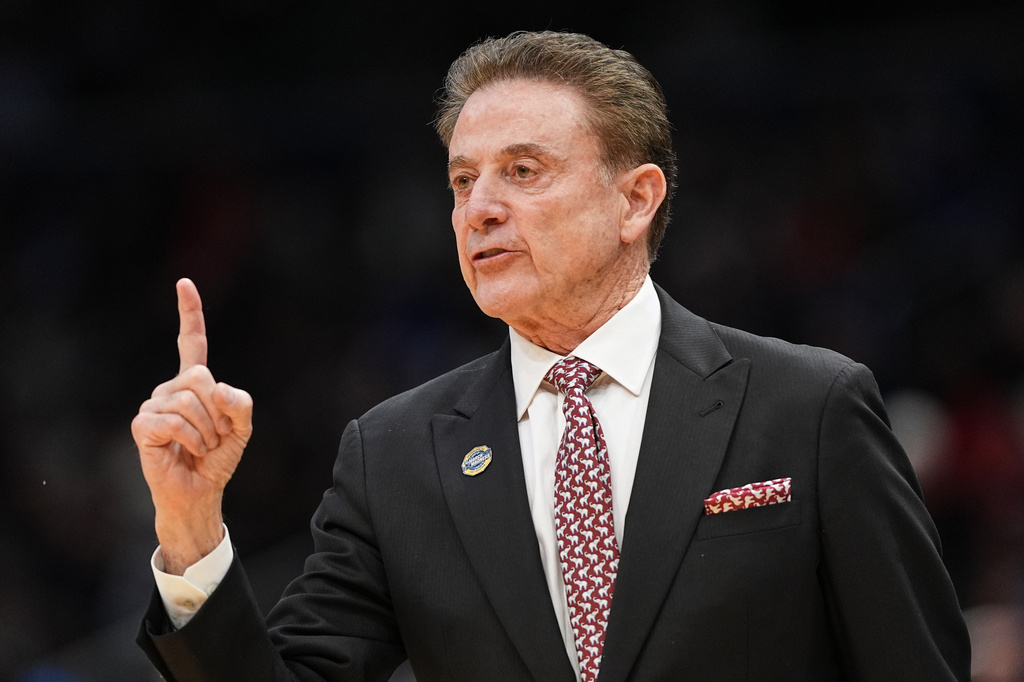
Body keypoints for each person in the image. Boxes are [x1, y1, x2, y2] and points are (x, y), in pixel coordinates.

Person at [133, 31, 971, 681]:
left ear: (635, 200)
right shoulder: (394, 456)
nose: (480, 209)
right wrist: (191, 528)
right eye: (463, 181)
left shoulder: (810, 408)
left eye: (523, 171)